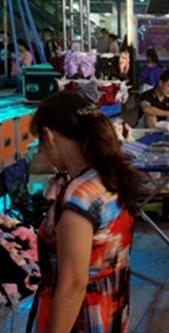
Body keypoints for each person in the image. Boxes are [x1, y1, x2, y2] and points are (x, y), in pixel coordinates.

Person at [27, 91, 142, 333]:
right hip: (111, 311)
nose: (42, 152)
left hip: (82, 321)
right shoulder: (108, 177)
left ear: (49, 135)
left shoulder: (79, 196)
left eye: (40, 143)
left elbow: (72, 287)